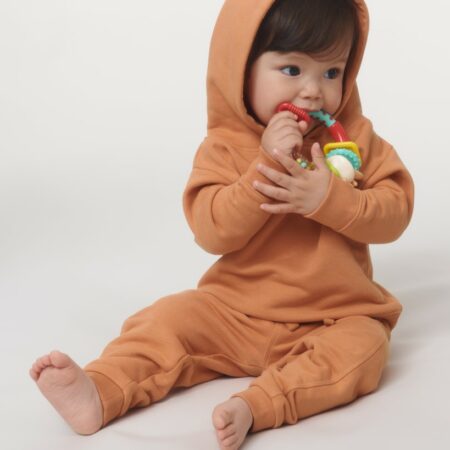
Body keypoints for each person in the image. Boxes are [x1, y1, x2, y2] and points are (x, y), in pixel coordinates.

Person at [29, 0, 414, 449]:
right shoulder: (225, 147)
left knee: (365, 347)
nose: (313, 91)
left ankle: (258, 405)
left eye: (332, 72)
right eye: (292, 69)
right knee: (167, 319)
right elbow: (211, 232)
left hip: (332, 316)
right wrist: (259, 170)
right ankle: (101, 390)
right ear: (241, 67)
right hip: (234, 312)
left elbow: (395, 213)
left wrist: (329, 200)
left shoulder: (353, 140)